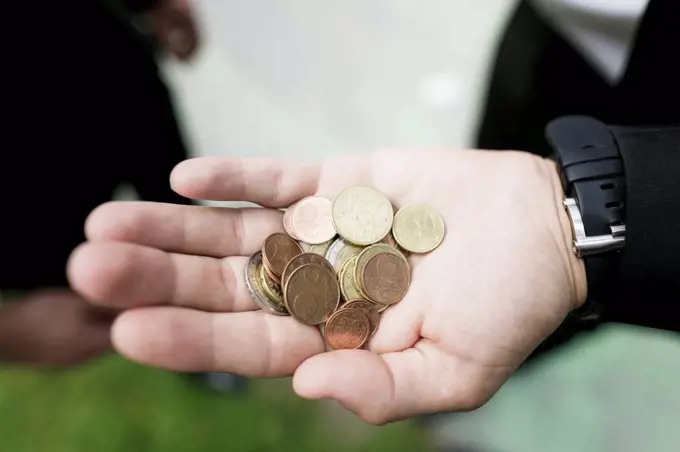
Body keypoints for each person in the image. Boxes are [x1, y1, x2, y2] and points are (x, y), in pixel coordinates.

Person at [66, 0, 678, 425]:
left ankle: (547, 326)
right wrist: (559, 202)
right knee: (511, 154)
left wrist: (589, 234)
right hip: (565, 34)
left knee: (541, 301)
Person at [0, 0, 198, 366]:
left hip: (108, 71)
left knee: (181, 218)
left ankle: (199, 336)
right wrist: (8, 332)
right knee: (106, 278)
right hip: (26, 228)